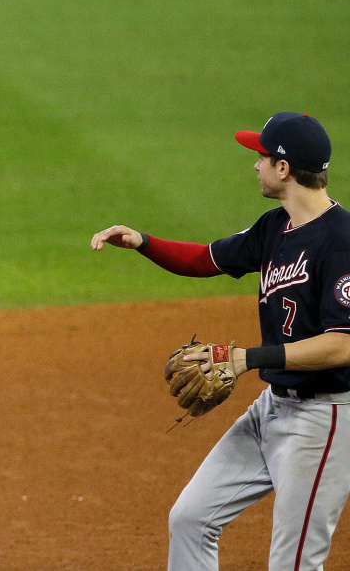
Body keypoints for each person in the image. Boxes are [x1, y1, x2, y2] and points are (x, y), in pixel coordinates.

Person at [91, 112, 350, 570]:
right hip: (273, 409)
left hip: (324, 421)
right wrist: (142, 241)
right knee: (191, 519)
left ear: (284, 168)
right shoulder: (276, 226)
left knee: (293, 563)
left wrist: (248, 358)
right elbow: (205, 259)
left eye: (261, 156)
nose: (255, 164)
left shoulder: (341, 240)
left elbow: (342, 345)